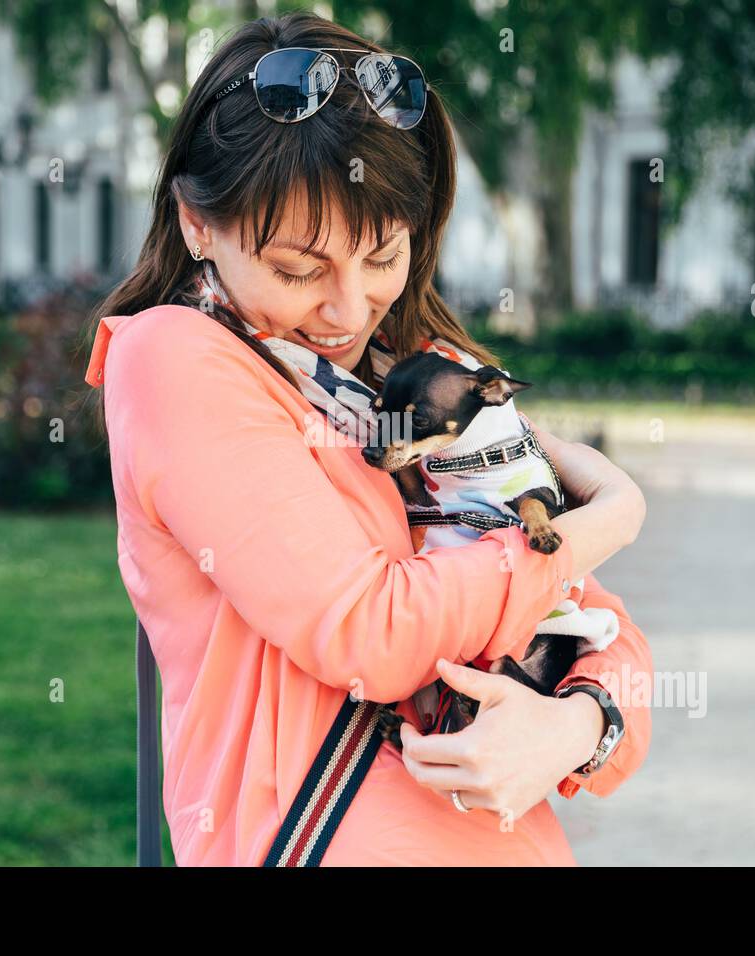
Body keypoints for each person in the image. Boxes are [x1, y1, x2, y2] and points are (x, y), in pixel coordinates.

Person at [84, 11, 652, 866]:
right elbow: (373, 635)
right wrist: (609, 516)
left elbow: (611, 640)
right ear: (198, 224)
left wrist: (573, 728)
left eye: (382, 255)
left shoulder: (421, 374)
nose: (348, 310)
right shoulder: (175, 361)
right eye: (297, 271)